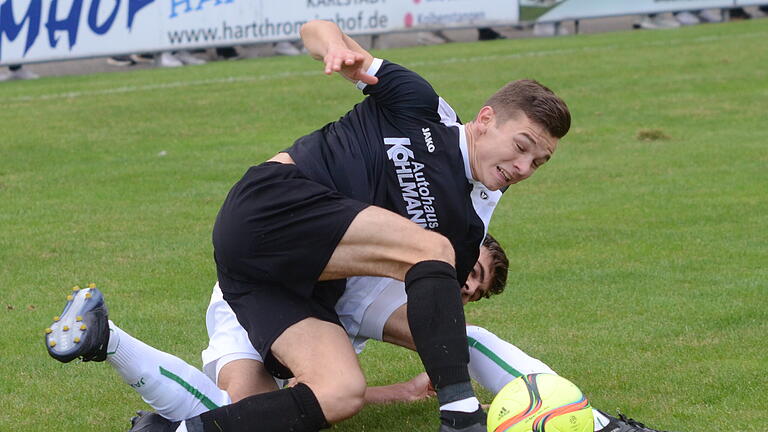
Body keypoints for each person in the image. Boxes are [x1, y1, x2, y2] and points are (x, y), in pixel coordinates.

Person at [54, 17, 571, 431]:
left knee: (332, 395)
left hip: (289, 286)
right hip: (269, 211)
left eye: (538, 164)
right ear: (484, 119)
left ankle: (143, 387)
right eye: (521, 148)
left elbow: (434, 305)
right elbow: (316, 25)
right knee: (428, 250)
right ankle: (462, 415)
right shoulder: (425, 108)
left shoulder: (465, 225)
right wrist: (334, 48)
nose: (523, 168)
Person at [46, 238, 670, 432]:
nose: (459, 291)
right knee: (254, 417)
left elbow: (326, 391)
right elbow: (465, 339)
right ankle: (587, 421)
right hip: (257, 299)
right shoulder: (390, 277)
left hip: (267, 305)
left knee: (261, 413)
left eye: (469, 290)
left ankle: (109, 341)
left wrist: (397, 393)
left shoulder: (398, 283)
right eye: (467, 272)